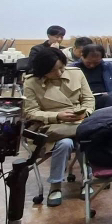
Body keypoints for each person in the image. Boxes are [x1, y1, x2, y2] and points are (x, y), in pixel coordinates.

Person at [22, 47, 94, 206]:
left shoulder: (76, 73)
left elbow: (89, 100)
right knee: (65, 143)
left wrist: (86, 113)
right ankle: (55, 185)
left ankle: (87, 180)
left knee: (83, 141)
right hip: (50, 127)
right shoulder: (31, 82)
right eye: (53, 70)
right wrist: (56, 115)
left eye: (62, 67)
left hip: (79, 121)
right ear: (42, 70)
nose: (59, 73)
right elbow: (30, 112)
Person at [73, 43, 112, 108]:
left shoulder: (111, 68)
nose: (92, 65)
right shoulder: (72, 69)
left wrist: (111, 94)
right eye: (88, 63)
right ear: (82, 56)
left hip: (107, 98)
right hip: (83, 101)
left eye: (96, 63)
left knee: (107, 99)